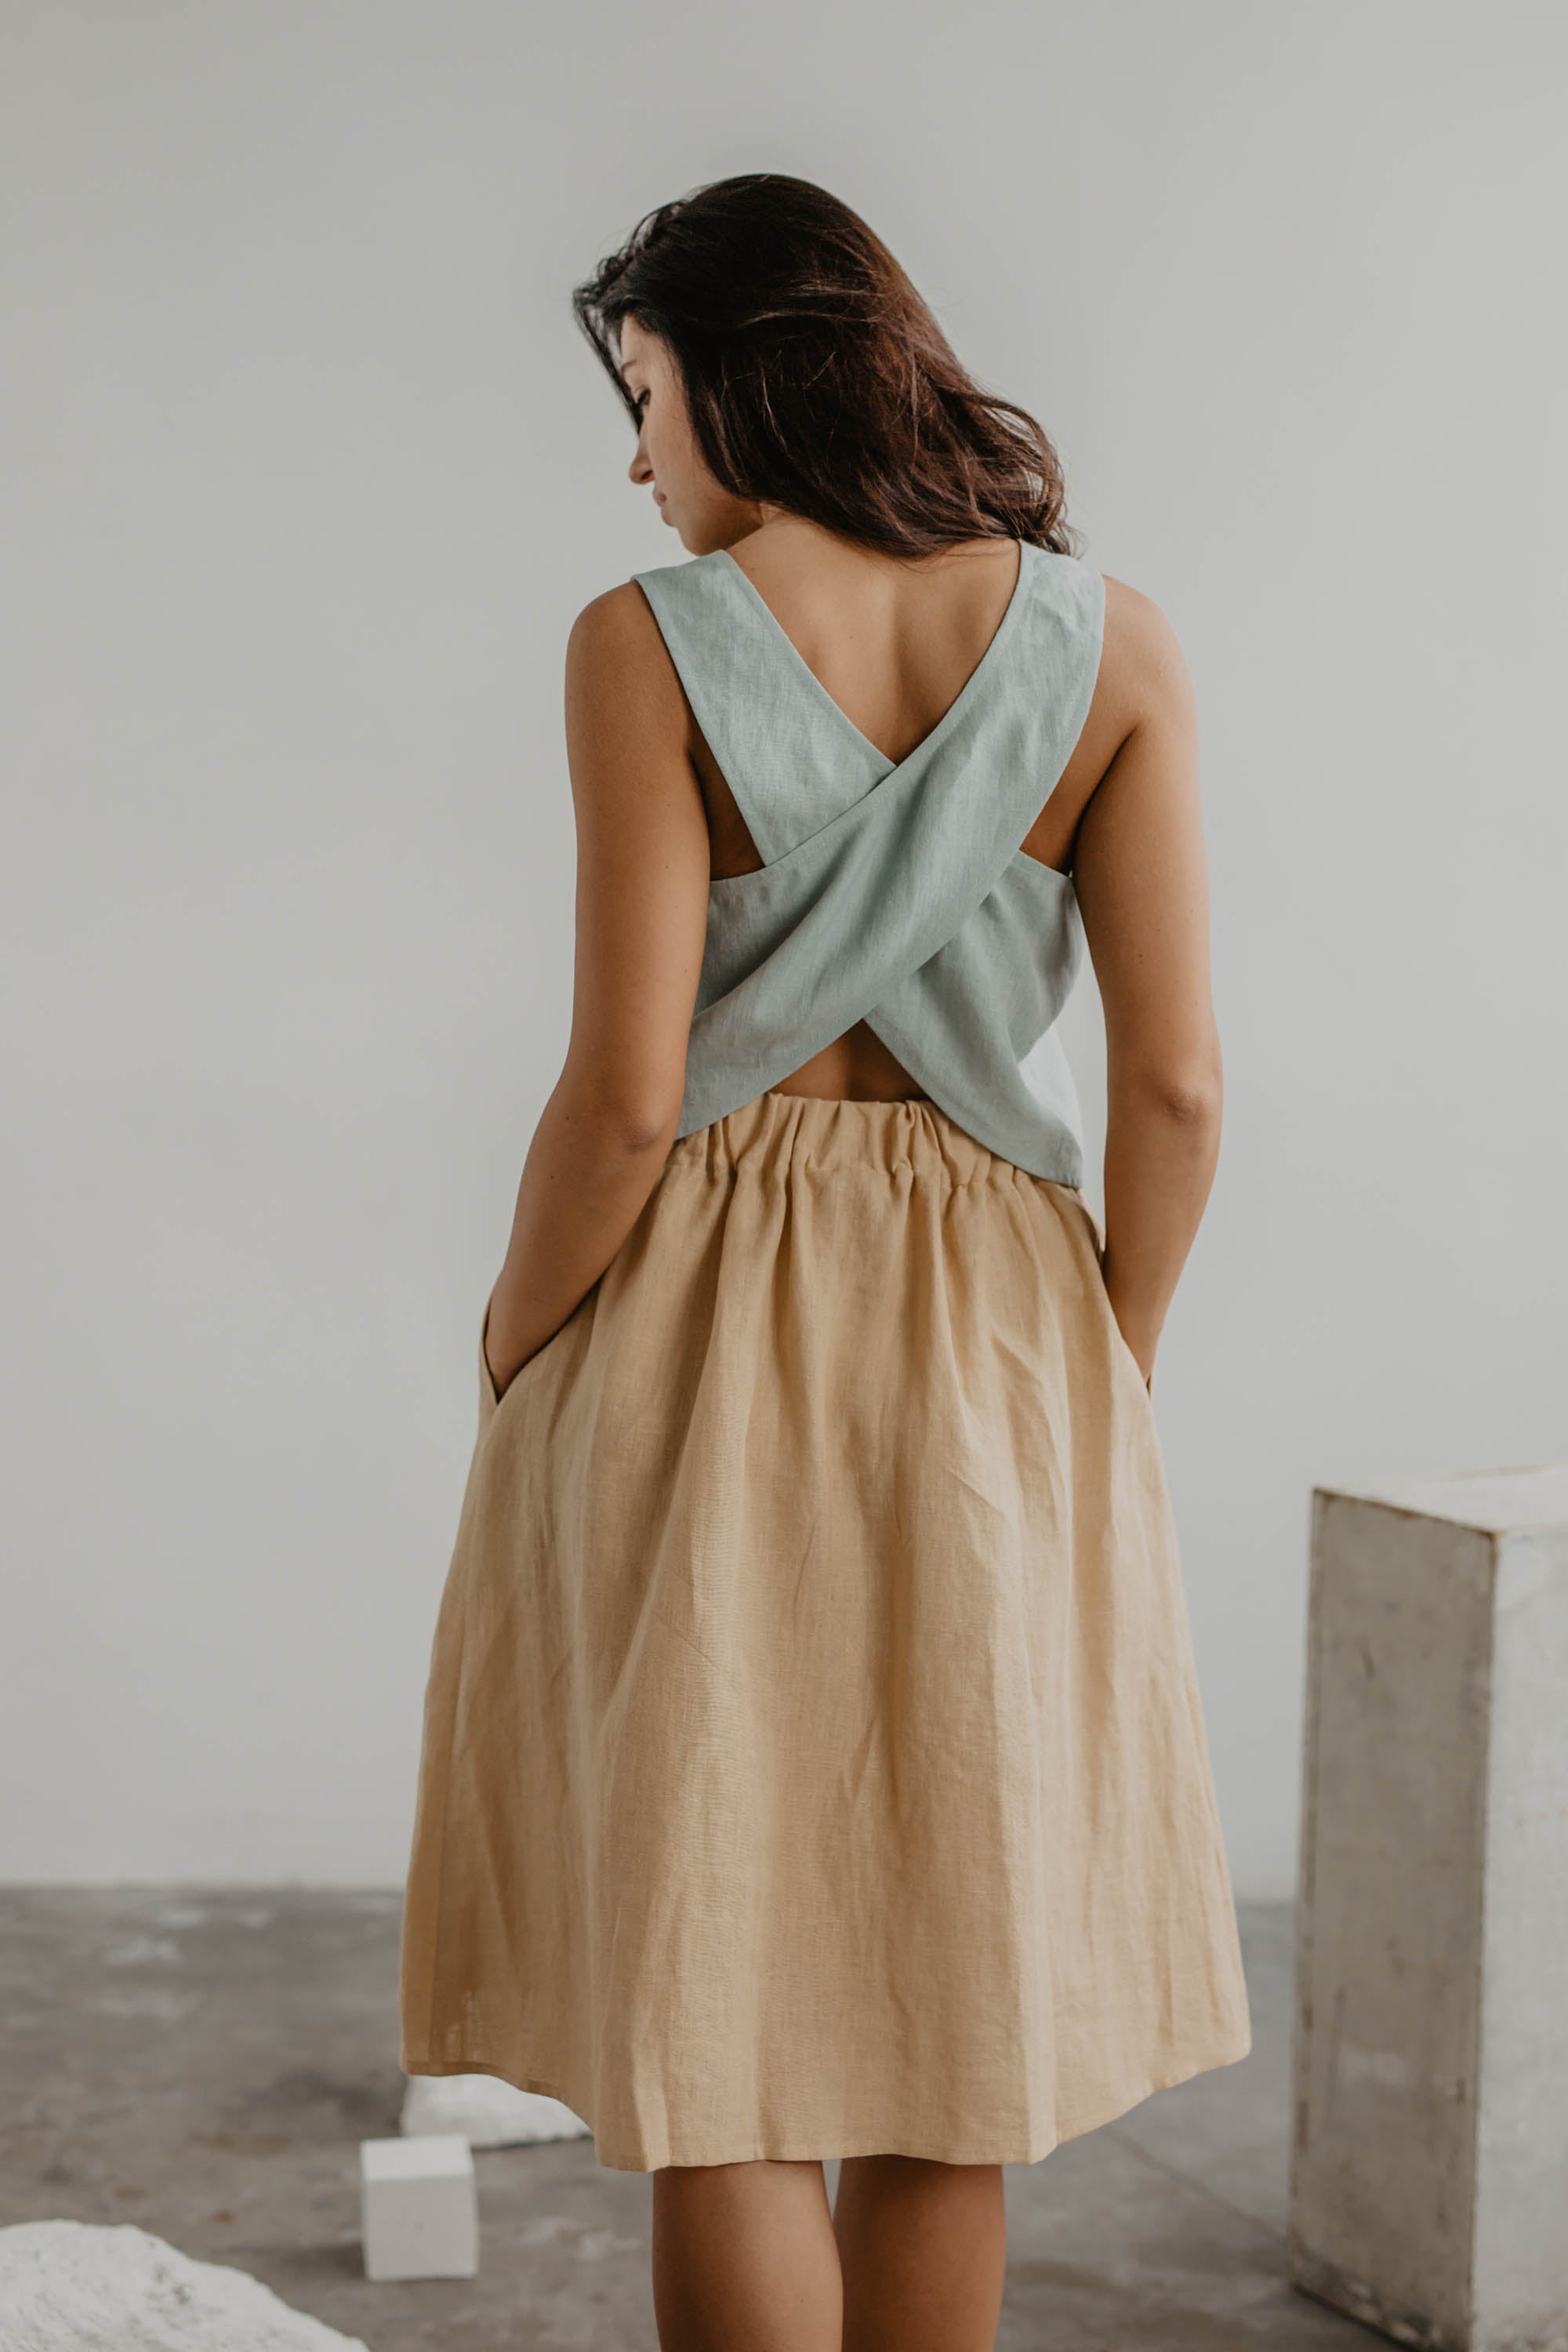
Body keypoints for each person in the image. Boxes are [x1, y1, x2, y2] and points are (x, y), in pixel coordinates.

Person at [400, 172, 1251, 2352]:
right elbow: (1174, 1094)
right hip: (996, 1326)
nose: (635, 455)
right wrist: (1106, 1345)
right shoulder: (1111, 642)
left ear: (742, 376)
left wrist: (515, 1335)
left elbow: (619, 1094)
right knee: (943, 2023)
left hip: (697, 1318)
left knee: (724, 2037)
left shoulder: (643, 642)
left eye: (647, 394)